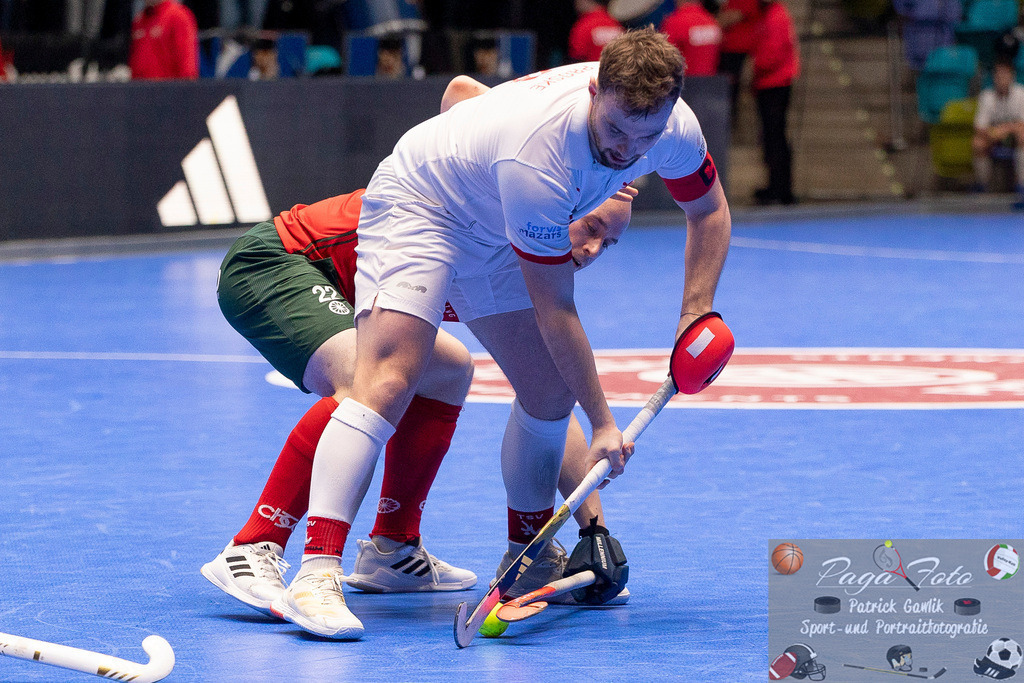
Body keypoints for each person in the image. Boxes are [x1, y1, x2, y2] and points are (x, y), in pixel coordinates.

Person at [270, 27, 730, 640]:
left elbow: (709, 211)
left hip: (490, 218)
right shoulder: (540, 154)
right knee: (389, 375)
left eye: (644, 138)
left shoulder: (671, 128)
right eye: (617, 129)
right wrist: (602, 424)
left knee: (545, 389)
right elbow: (556, 308)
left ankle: (527, 553)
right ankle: (316, 573)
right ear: (595, 90)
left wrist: (693, 314)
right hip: (423, 203)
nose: (627, 150)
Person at [201, 183, 638, 617]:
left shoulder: (530, 272)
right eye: (591, 227)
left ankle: (392, 547)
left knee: (450, 371)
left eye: (610, 242)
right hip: (279, 262)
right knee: (365, 382)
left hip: (354, 289)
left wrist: (592, 531)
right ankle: (253, 545)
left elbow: (547, 395)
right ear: (557, 211)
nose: (594, 250)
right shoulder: (486, 227)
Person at [751, 0, 799, 205]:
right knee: (771, 137)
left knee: (776, 136)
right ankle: (776, 186)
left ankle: (782, 189)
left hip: (775, 83)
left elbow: (773, 53)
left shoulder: (776, 16)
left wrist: (756, 66)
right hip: (768, 83)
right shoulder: (768, 14)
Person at [972, 58, 1024, 209]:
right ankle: (982, 187)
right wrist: (994, 132)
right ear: (994, 77)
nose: (1001, 78)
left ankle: (1021, 189)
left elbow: (1022, 123)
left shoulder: (1021, 94)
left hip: (1015, 136)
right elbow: (979, 127)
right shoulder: (986, 96)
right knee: (977, 143)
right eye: (998, 75)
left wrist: (1005, 129)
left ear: (1012, 76)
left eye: (1005, 75)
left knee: (1023, 135)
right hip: (993, 137)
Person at [128, 0, 199, 80]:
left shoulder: (178, 16)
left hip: (168, 89)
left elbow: (188, 67)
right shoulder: (139, 20)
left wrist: (186, 90)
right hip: (139, 89)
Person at [716, 0, 761, 122]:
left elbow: (731, 17)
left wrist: (711, 21)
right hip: (726, 50)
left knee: (732, 94)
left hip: (738, 52)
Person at [661, 0, 724, 77]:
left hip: (685, 83)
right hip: (709, 84)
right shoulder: (712, 22)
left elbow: (664, 58)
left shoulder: (675, 22)